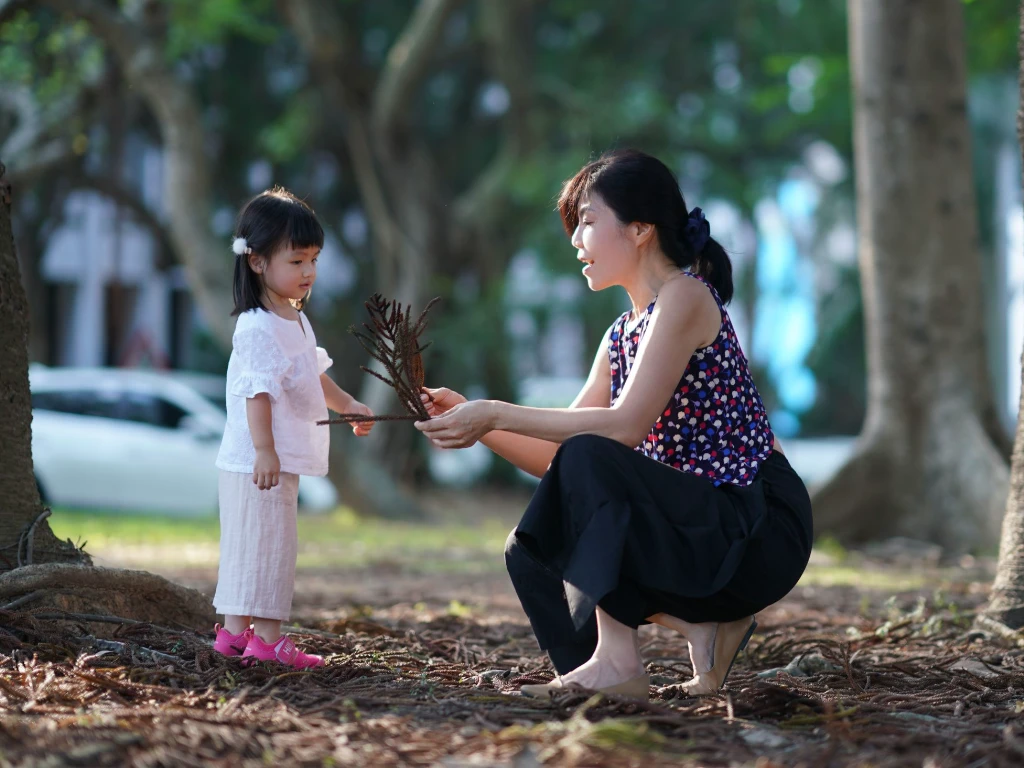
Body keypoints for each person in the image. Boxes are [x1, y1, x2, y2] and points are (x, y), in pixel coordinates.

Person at [415, 150, 812, 700]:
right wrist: (476, 421)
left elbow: (621, 428)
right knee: (528, 550)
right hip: (694, 534)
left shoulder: (685, 296)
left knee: (589, 454)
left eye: (588, 222)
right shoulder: (620, 334)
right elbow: (561, 462)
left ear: (641, 228)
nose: (576, 241)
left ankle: (617, 662)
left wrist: (496, 410)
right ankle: (623, 666)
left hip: (755, 525)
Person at [211, 188, 374, 669]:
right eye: (297, 260)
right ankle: (267, 641)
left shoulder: (291, 320)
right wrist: (265, 450)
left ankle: (234, 636)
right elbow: (256, 393)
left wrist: (346, 404)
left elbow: (308, 375)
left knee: (250, 543)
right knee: (267, 547)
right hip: (260, 460)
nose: (309, 272)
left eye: (314, 260)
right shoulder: (258, 325)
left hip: (265, 459)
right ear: (257, 262)